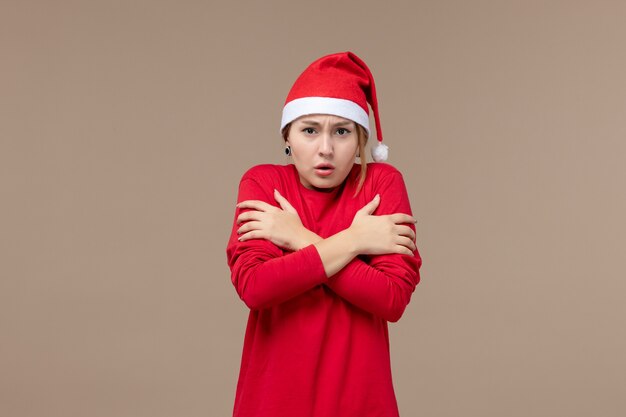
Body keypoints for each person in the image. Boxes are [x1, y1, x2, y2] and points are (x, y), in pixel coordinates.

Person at [226, 51, 423, 417]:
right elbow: (256, 287)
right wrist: (355, 240)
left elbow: (391, 299)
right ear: (288, 135)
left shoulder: (381, 184)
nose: (326, 149)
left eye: (342, 132)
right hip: (273, 401)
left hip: (361, 400)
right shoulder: (263, 183)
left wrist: (298, 237)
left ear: (361, 139)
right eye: (310, 130)